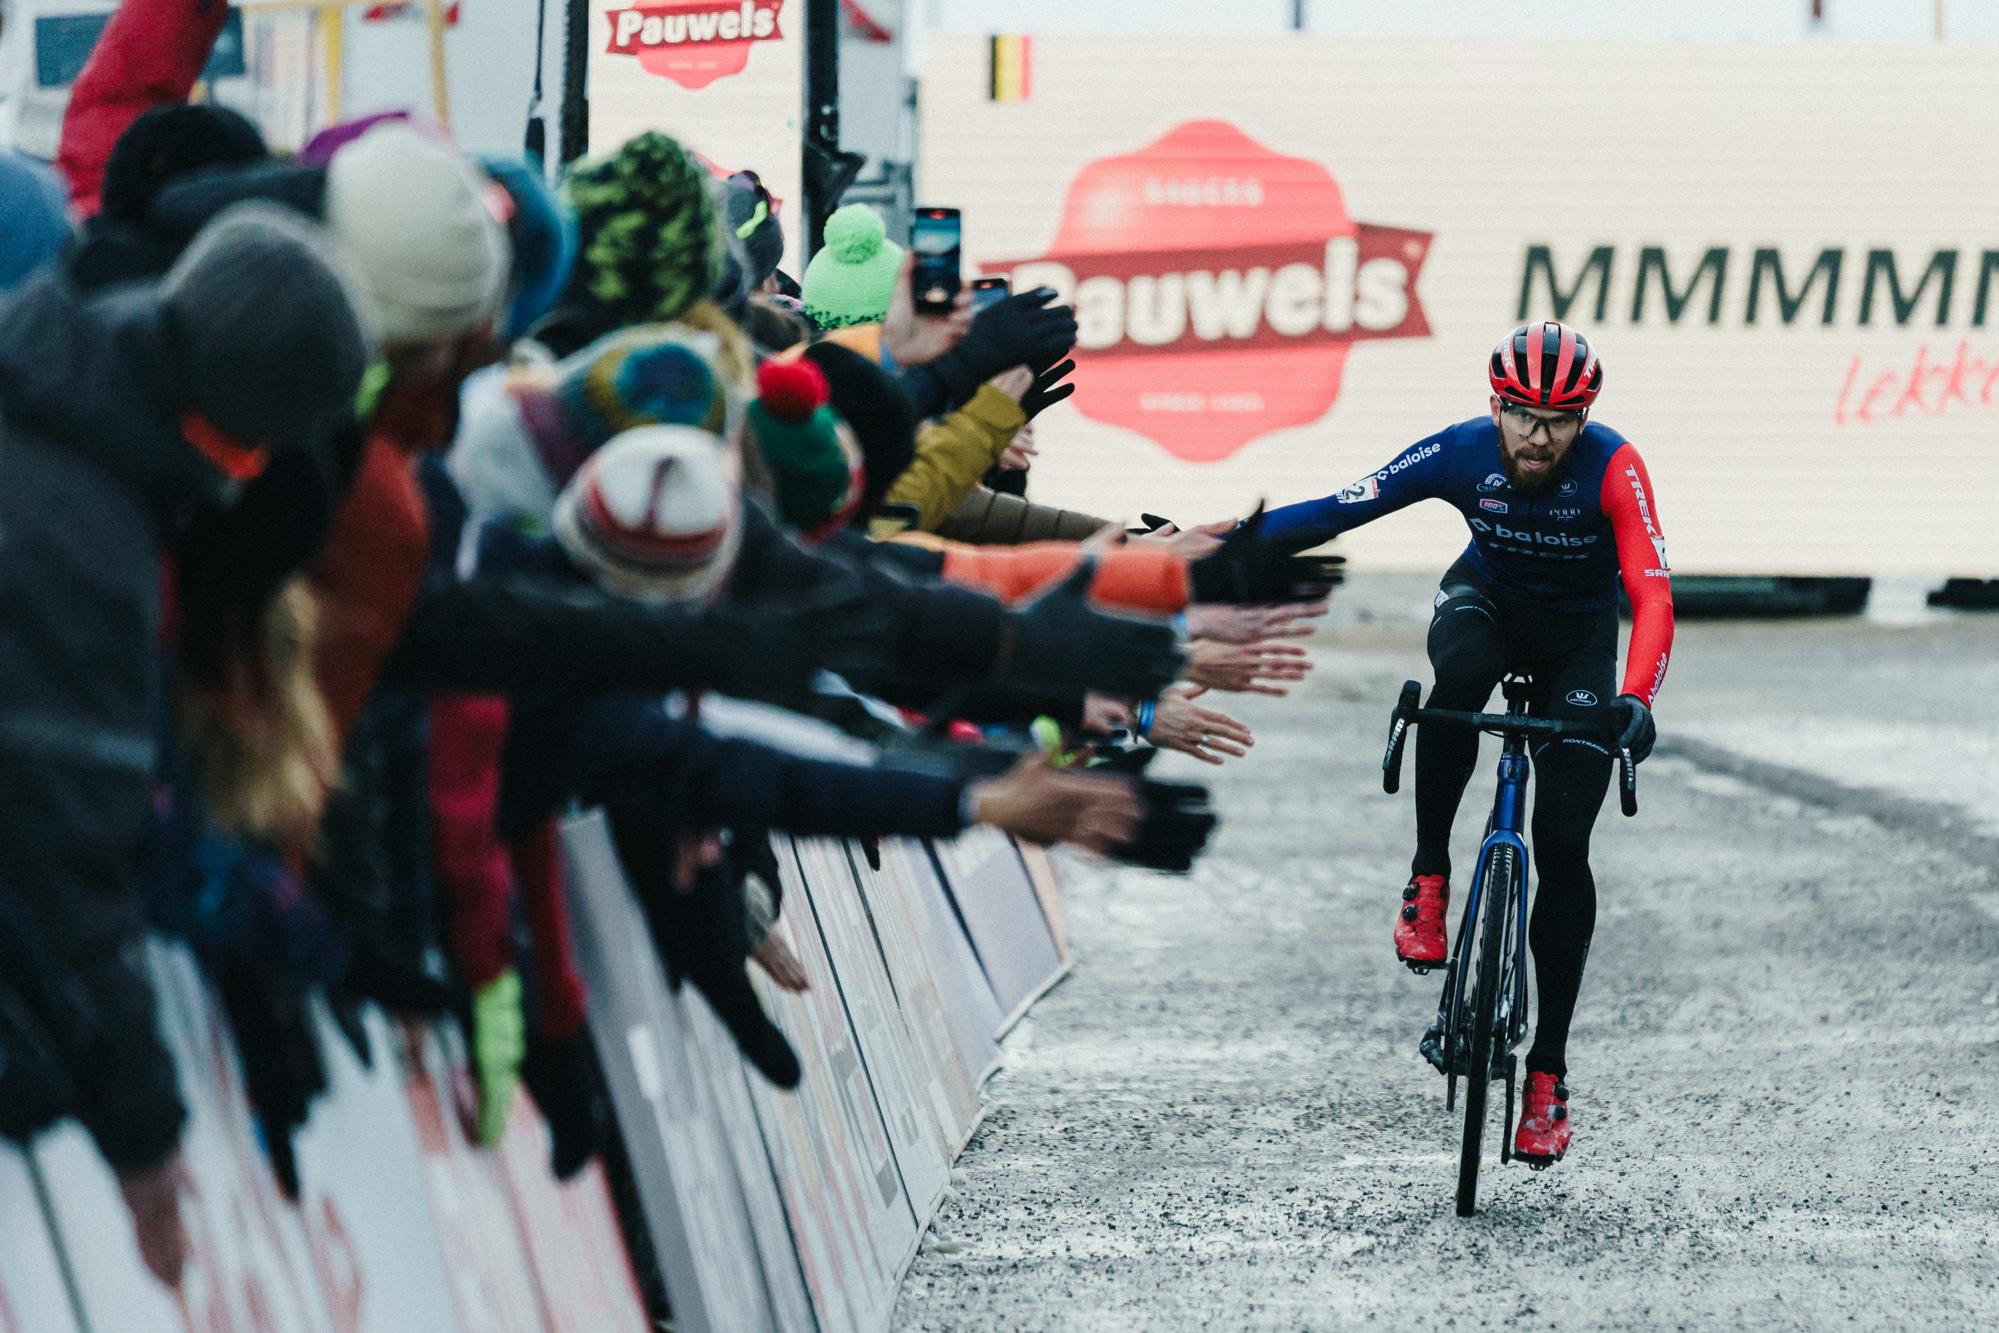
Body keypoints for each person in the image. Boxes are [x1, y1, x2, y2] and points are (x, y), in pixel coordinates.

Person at [1259, 321, 1674, 1166]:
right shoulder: (1459, 451)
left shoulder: (1614, 468)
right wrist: (1220, 545)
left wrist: (1635, 698)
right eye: (1521, 414)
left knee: (1564, 846)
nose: (1537, 435)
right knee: (1456, 682)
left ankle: (1547, 1075)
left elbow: (1652, 591)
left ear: (1584, 416)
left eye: (1559, 419)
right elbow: (1344, 506)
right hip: (1483, 604)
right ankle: (1429, 875)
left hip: (1578, 646)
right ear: (1496, 405)